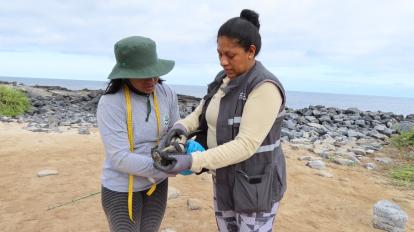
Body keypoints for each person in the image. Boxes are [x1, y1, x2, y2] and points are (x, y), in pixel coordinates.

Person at [155, 9, 287, 232]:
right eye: (219, 54)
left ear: (250, 51)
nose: (223, 61)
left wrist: (192, 161)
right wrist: (181, 127)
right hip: (225, 178)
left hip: (255, 186)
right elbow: (201, 111)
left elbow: (246, 145)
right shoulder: (224, 79)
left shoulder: (265, 87)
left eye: (230, 55)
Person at [97, 36, 180, 232]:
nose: (152, 80)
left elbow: (176, 130)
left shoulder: (166, 93)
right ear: (125, 74)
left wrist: (181, 150)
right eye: (143, 75)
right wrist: (166, 168)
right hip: (121, 189)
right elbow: (119, 158)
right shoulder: (111, 103)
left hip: (157, 186)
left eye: (154, 73)